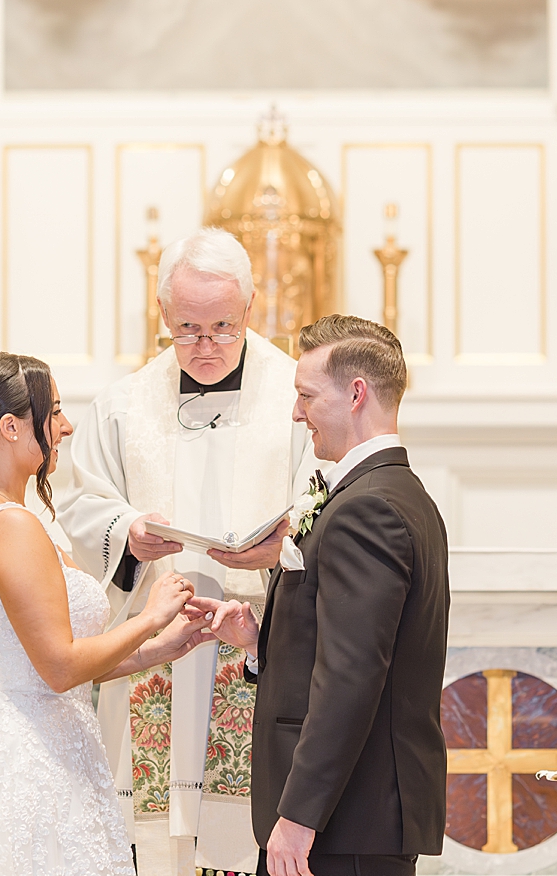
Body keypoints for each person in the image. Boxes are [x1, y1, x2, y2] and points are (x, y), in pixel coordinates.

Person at [0, 351, 211, 876]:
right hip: (22, 759)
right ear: (11, 427)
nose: (67, 426)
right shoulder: (8, 524)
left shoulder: (16, 517)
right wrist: (149, 616)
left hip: (42, 741)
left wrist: (161, 647)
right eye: (53, 413)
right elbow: (59, 668)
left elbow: (63, 660)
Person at [57, 228, 314, 874]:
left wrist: (277, 550)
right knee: (156, 849)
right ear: (163, 314)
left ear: (251, 310)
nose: (205, 346)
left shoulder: (297, 397)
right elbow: (81, 508)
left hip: (255, 646)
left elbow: (325, 505)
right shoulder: (123, 404)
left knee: (252, 841)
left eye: (223, 328)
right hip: (157, 650)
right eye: (187, 329)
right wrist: (128, 533)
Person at [193, 314, 450, 876]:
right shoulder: (401, 497)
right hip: (353, 818)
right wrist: (261, 643)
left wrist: (300, 817)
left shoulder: (366, 510)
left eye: (306, 395)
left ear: (356, 394)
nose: (295, 412)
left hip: (341, 822)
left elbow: (352, 676)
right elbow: (350, 648)